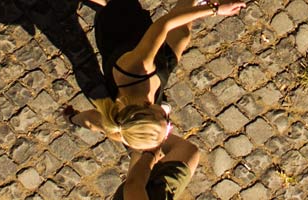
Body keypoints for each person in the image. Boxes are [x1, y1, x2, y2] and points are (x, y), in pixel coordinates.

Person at [61, 0, 245, 198]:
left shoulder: (139, 68)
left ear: (147, 107)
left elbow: (164, 24)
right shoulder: (122, 126)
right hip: (158, 68)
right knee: (182, 35)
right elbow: (90, 121)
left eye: (164, 120)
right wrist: (72, 118)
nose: (169, 122)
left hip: (122, 26)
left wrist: (215, 10)